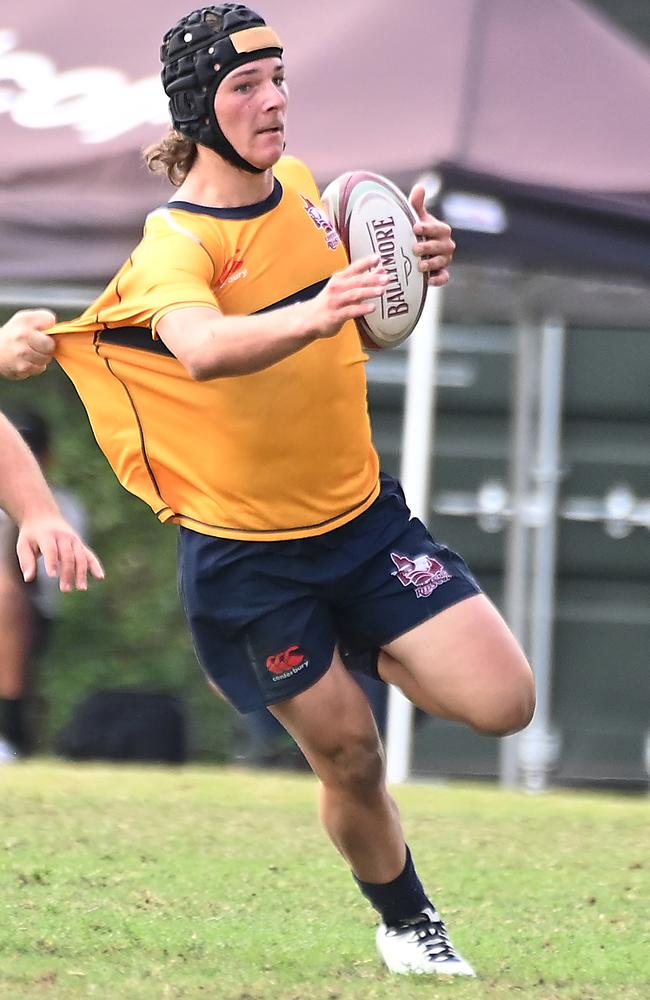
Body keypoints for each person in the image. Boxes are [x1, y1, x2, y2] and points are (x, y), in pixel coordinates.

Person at [1, 4, 535, 976]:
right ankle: (406, 920)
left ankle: (364, 635)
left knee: (503, 701)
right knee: (352, 756)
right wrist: (318, 306)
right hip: (248, 561)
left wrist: (407, 273)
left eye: (278, 77)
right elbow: (201, 349)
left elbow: (363, 315)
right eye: (246, 85)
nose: (274, 101)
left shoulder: (298, 188)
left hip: (364, 525)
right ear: (198, 106)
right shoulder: (177, 245)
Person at [0, 407, 104, 761]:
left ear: (45, 457)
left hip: (29, 616)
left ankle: (9, 732)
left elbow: (52, 578)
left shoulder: (62, 510)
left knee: (5, 593)